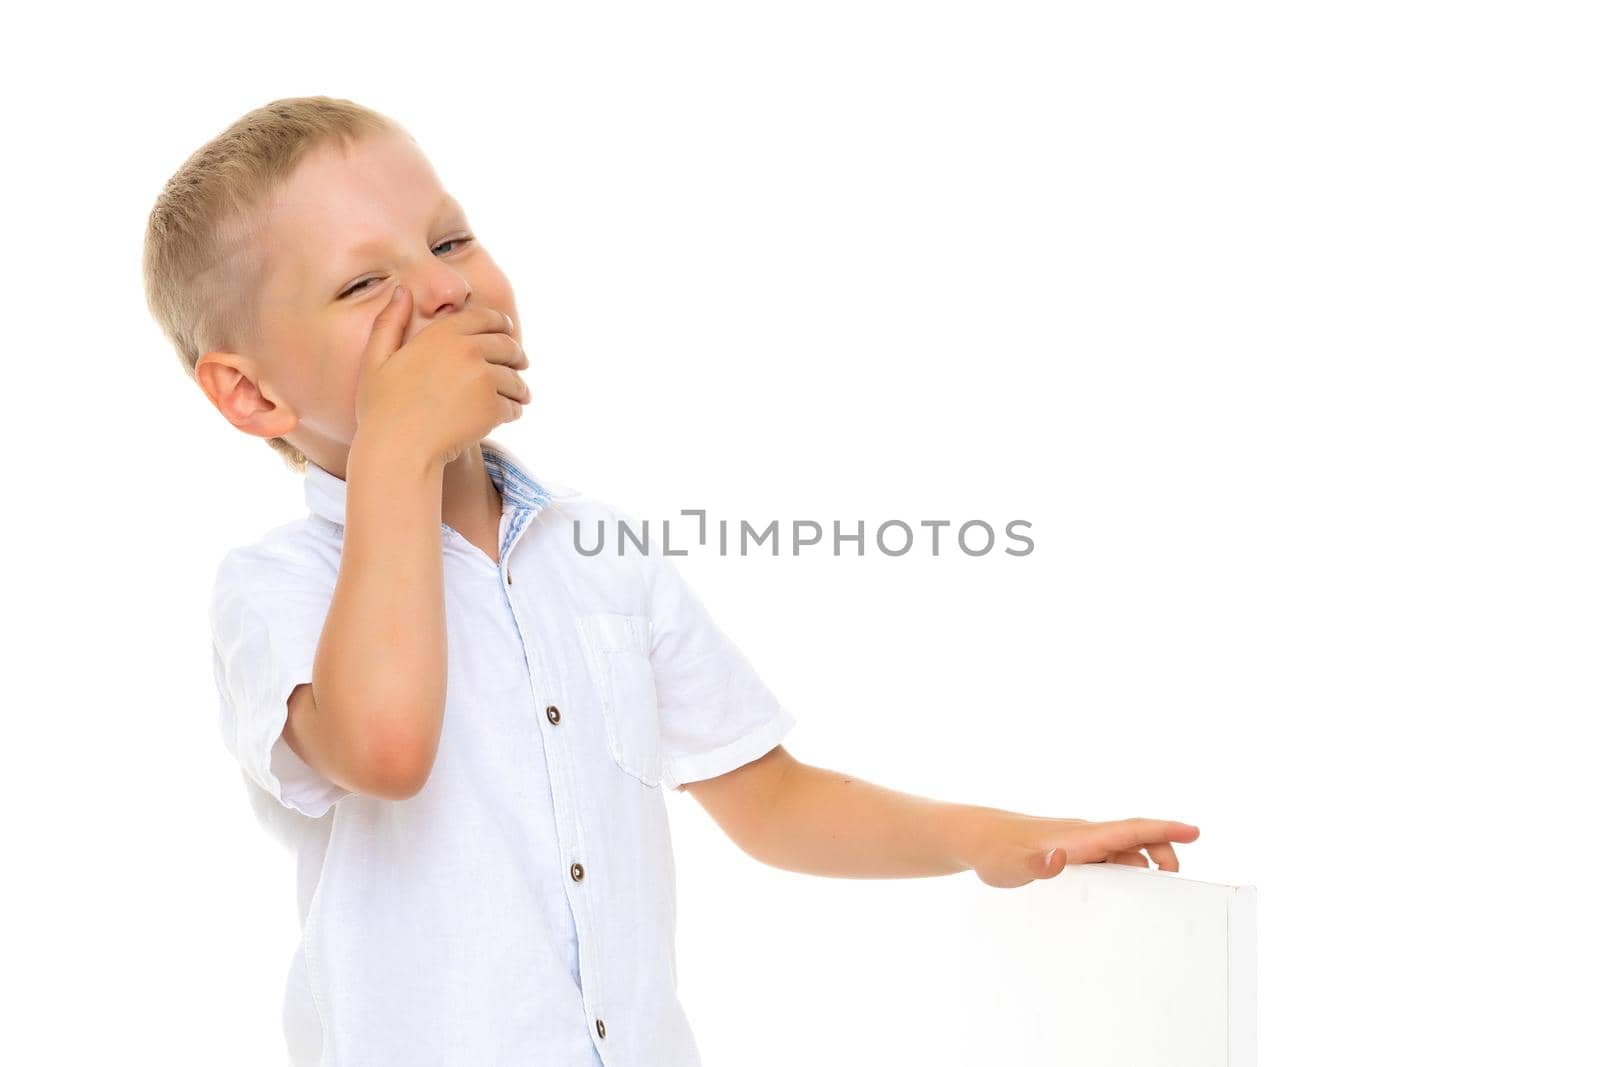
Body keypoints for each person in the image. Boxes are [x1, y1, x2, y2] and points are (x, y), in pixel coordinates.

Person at [143, 95, 1200, 1066]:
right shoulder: (274, 588)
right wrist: (396, 455)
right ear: (250, 395)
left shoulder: (596, 552)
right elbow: (383, 748)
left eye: (450, 238)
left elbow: (769, 797)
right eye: (364, 282)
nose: (444, 285)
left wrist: (998, 837)